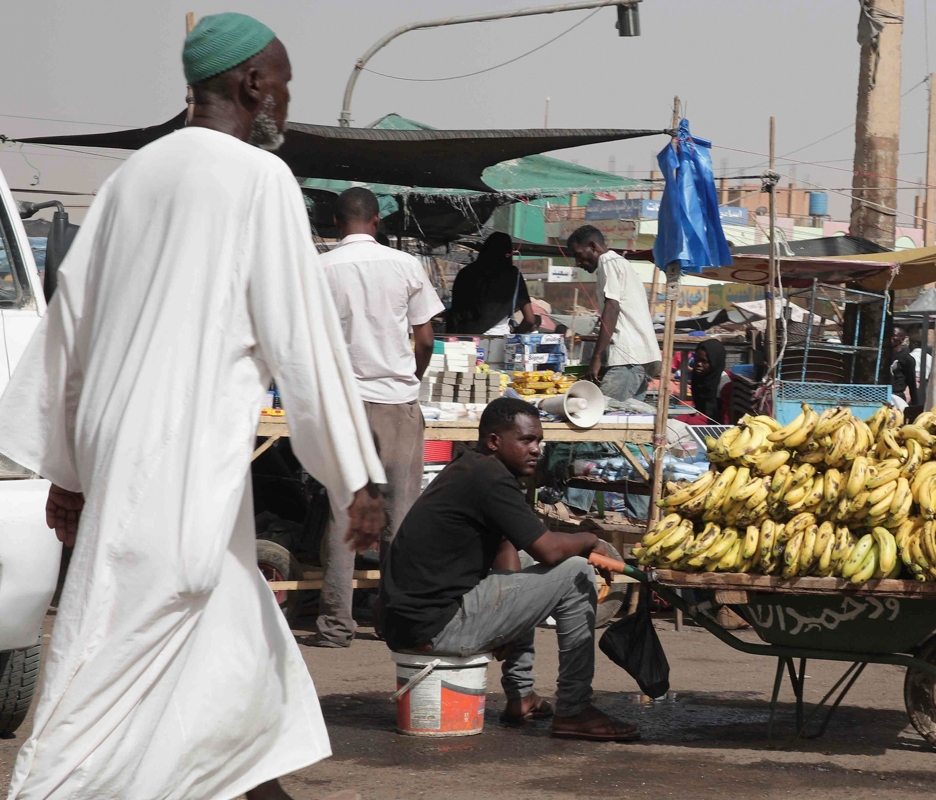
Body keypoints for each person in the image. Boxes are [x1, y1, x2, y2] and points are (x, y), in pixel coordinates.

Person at [0, 15, 384, 800]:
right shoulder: (257, 180)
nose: (282, 97)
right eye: (279, 82)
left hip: (138, 466)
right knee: (104, 677)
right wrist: (355, 477)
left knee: (243, 678)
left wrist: (69, 470)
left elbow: (71, 323)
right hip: (175, 474)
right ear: (250, 83)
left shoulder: (133, 178)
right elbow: (302, 341)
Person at [379, 398, 640, 741]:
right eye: (527, 440)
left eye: (539, 440)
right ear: (493, 441)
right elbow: (548, 549)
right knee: (575, 570)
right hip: (434, 626)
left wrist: (510, 629)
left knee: (523, 571)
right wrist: (589, 539)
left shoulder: (471, 469)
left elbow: (507, 550)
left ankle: (521, 696)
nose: (537, 449)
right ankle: (575, 709)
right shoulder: (489, 477)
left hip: (415, 623)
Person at [312, 186, 444, 648]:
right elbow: (424, 339)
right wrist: (411, 379)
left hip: (343, 405)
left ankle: (334, 624)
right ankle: (393, 620)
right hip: (396, 403)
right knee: (399, 517)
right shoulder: (406, 266)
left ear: (335, 223)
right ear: (376, 221)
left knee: (342, 513)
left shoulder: (319, 268)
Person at [565, 225, 662, 401]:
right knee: (626, 421)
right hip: (640, 358)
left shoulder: (607, 262)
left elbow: (612, 308)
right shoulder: (619, 263)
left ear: (593, 246)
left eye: (578, 255)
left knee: (602, 414)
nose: (578, 263)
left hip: (627, 359)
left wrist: (597, 357)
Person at [446, 232, 538, 336]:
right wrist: (515, 335)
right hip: (500, 340)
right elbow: (530, 319)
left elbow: (455, 312)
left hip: (467, 338)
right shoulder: (513, 275)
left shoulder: (467, 273)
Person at [689, 339, 728, 423]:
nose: (699, 364)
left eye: (704, 361)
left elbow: (726, 415)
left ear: (714, 362)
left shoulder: (723, 381)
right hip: (701, 414)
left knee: (693, 422)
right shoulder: (698, 376)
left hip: (717, 421)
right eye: (697, 359)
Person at [888, 325, 918, 409]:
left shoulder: (907, 359)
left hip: (897, 397)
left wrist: (916, 406)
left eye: (894, 336)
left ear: (901, 339)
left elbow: (912, 384)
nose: (890, 338)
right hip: (882, 395)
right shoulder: (883, 356)